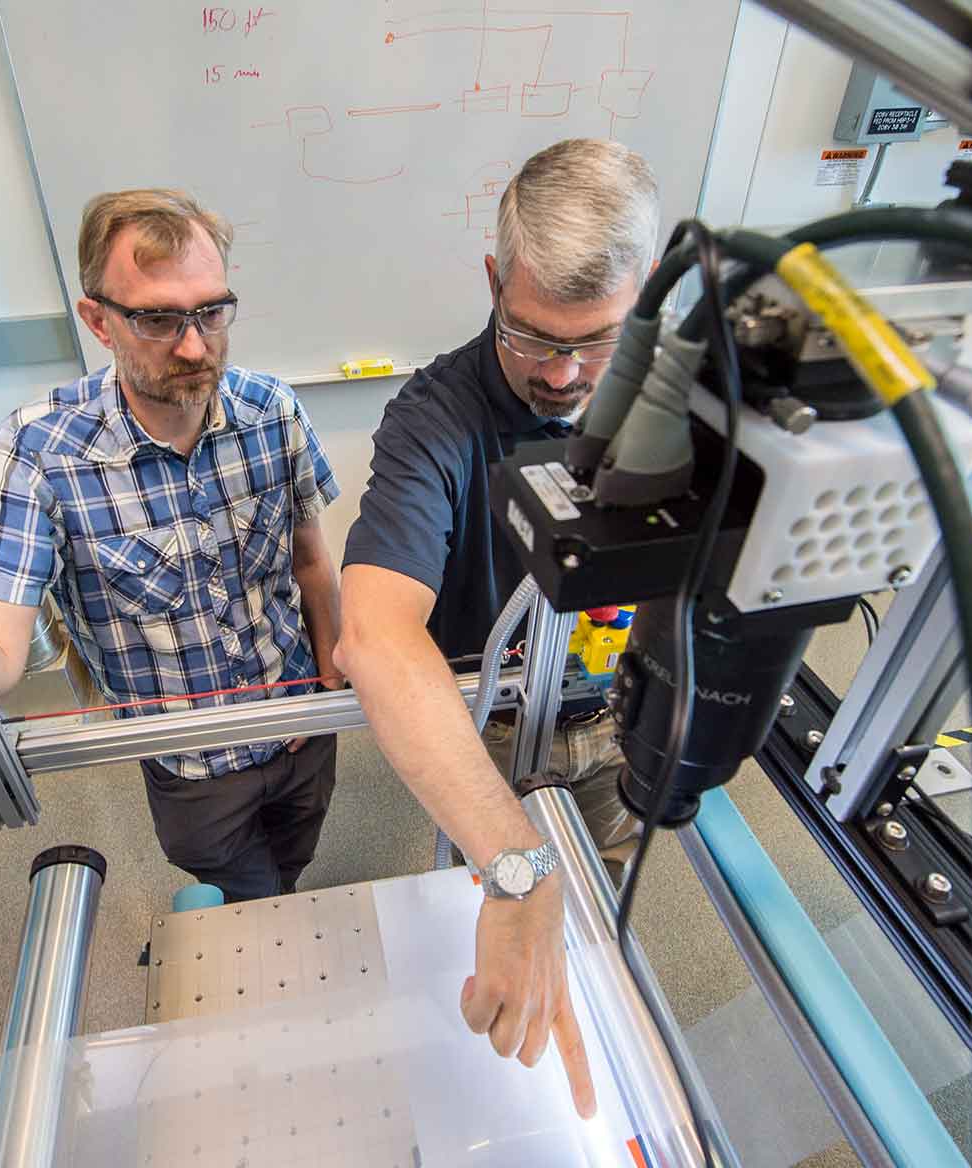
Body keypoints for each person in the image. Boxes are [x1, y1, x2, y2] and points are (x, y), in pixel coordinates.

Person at [0, 189, 343, 904]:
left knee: (294, 864)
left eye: (210, 310)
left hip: (302, 731)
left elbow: (311, 565)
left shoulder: (273, 412)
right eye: (158, 319)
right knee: (251, 902)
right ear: (98, 322)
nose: (196, 345)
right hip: (193, 771)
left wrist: (326, 696)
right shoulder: (36, 452)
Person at [333, 139, 663, 1118]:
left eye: (594, 340)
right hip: (488, 720)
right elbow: (377, 638)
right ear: (492, 281)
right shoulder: (433, 420)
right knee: (479, 895)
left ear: (643, 296)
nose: (562, 374)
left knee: (601, 889)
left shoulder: (674, 401)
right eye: (532, 336)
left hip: (619, 710)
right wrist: (512, 866)